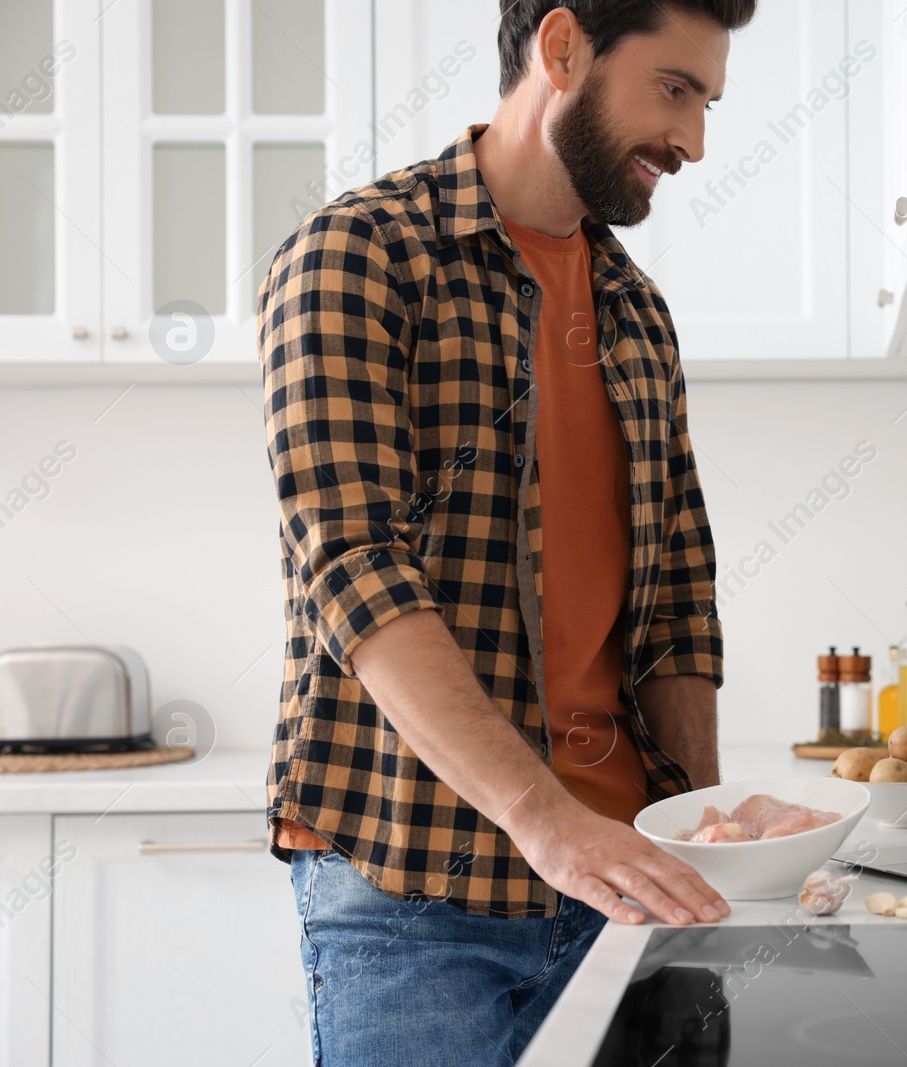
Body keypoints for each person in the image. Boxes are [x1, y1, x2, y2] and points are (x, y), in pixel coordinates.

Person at [256, 1, 757, 1061]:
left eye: (707, 102)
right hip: (417, 893)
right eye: (674, 89)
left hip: (625, 879)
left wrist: (703, 829)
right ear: (563, 47)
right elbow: (356, 569)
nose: (694, 141)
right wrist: (547, 819)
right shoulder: (359, 254)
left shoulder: (634, 312)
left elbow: (677, 613)